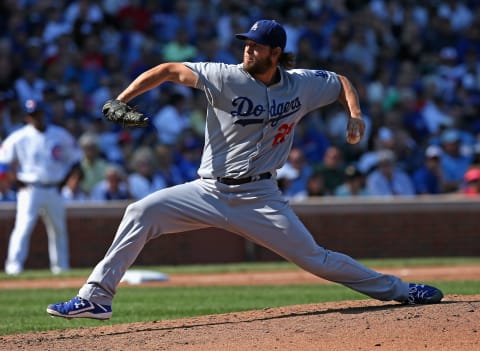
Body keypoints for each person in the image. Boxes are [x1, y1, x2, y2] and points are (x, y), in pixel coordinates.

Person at [47, 19, 443, 320]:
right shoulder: (225, 76)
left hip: (261, 197)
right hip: (208, 191)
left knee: (317, 260)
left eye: (257, 46)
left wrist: (355, 115)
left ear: (276, 53)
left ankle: (402, 291)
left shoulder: (300, 84)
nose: (248, 51)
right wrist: (122, 98)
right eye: (247, 44)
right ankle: (95, 299)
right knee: (140, 212)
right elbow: (169, 69)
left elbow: (340, 81)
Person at [0, 99, 82, 275]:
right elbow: (4, 163)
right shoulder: (19, 136)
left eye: (38, 113)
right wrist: (16, 180)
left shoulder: (60, 135)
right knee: (23, 227)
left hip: (54, 188)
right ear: (27, 117)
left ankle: (61, 267)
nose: (36, 117)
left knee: (58, 229)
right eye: (32, 115)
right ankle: (14, 267)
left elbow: (75, 160)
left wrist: (65, 180)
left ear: (44, 114)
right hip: (30, 188)